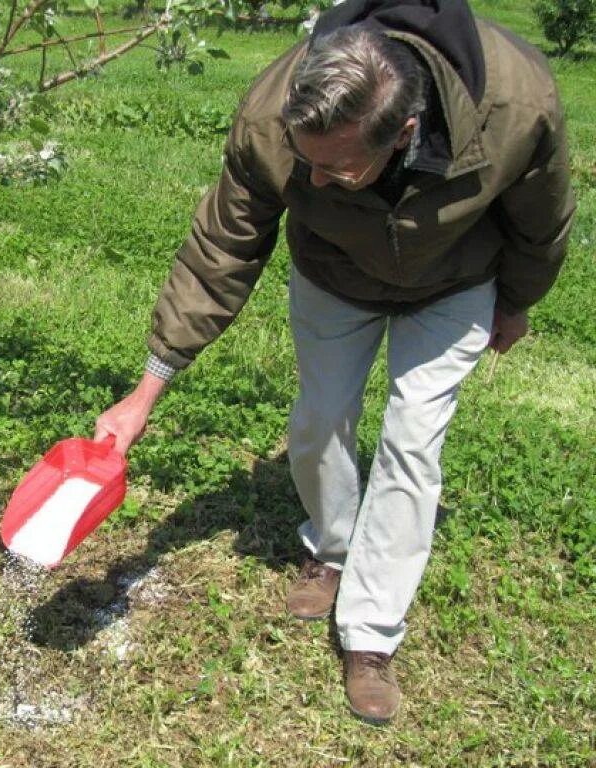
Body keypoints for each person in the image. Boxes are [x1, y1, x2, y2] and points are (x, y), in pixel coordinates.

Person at [94, 0, 574, 724]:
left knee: (413, 442)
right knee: (319, 421)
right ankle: (332, 548)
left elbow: (543, 219)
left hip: (455, 281)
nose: (312, 183)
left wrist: (517, 300)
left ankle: (371, 634)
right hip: (333, 275)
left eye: (338, 169)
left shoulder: (516, 103)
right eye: (305, 163)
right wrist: (149, 386)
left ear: (405, 133)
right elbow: (223, 247)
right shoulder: (273, 115)